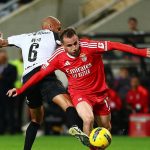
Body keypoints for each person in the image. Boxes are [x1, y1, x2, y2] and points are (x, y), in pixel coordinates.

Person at [7, 28, 150, 150]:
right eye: (69, 45)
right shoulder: (58, 57)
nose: (74, 48)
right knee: (88, 119)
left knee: (106, 130)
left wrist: (141, 52)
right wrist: (21, 89)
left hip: (100, 93)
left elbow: (114, 45)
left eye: (76, 43)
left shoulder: (90, 46)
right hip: (80, 94)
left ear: (78, 40)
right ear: (62, 46)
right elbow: (40, 74)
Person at [0, 18, 83, 150]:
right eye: (59, 27)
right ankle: (76, 127)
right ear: (50, 27)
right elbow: (69, 46)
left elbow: (2, 43)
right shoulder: (54, 35)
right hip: (44, 74)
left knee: (36, 120)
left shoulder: (25, 37)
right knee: (67, 103)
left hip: (28, 79)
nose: (60, 30)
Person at [0, 49, 17, 134]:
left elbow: (12, 79)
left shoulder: (12, 67)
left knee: (10, 111)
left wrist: (2, 77)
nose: (3, 57)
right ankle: (1, 130)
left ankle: (12, 130)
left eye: (4, 56)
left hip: (9, 93)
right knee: (1, 112)